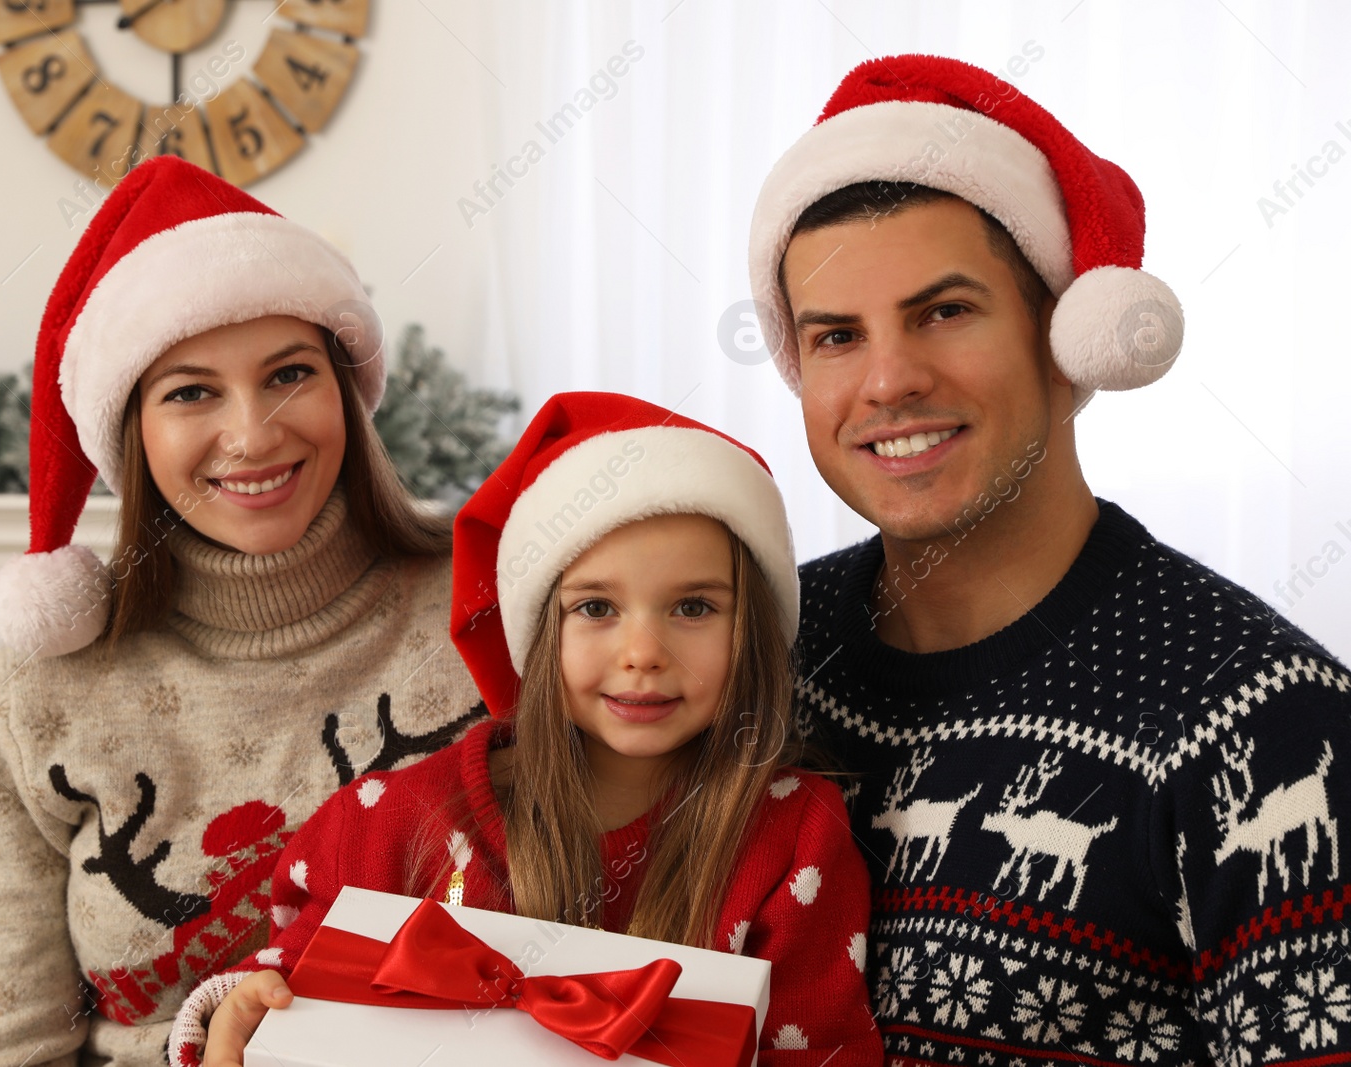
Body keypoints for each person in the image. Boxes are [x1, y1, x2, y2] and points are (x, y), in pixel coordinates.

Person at [747, 54, 1351, 1062]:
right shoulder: (747, 662)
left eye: (945, 311)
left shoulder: (1271, 720)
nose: (889, 380)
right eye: (837, 335)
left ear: (1068, 338)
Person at [0, 157, 484, 1067]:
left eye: (289, 374)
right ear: (132, 431)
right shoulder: (37, 697)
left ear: (346, 386)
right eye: (190, 391)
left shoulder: (487, 605)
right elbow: (4, 1045)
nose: (253, 434)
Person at [167, 392, 883, 1066]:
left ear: (752, 631)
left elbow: (824, 1048)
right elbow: (279, 993)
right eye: (596, 608)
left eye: (693, 607)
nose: (643, 652)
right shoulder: (385, 823)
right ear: (538, 634)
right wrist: (233, 1017)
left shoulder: (795, 839)